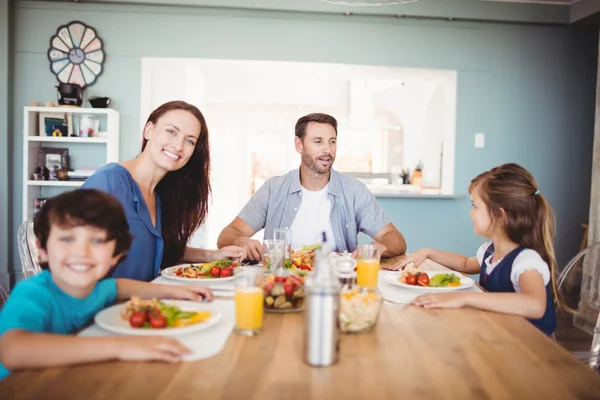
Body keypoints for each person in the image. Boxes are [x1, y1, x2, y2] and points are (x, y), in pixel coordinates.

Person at [0, 189, 214, 380]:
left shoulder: (96, 288)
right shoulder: (33, 293)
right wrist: (121, 347)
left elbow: (120, 286)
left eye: (97, 241)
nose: (81, 252)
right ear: (43, 248)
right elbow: (12, 350)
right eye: (66, 239)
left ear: (116, 254)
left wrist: (176, 291)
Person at [83, 101, 245, 281]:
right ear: (149, 130)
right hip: (104, 307)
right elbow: (74, 262)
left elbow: (160, 250)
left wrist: (212, 256)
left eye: (189, 140)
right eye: (171, 131)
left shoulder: (160, 195)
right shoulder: (108, 183)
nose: (179, 145)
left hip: (141, 305)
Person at [394, 163, 558, 336]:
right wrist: (428, 252)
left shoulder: (526, 261)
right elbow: (465, 264)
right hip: (501, 334)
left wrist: (464, 298)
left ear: (500, 215)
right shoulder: (491, 251)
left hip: (532, 347)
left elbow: (535, 305)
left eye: (475, 206)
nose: (470, 213)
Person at [217, 112, 406, 261]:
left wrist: (378, 247)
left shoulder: (354, 191)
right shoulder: (273, 189)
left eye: (332, 141)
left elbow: (396, 239)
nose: (327, 149)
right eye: (318, 141)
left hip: (336, 284)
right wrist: (241, 241)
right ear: (299, 145)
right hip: (283, 282)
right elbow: (226, 236)